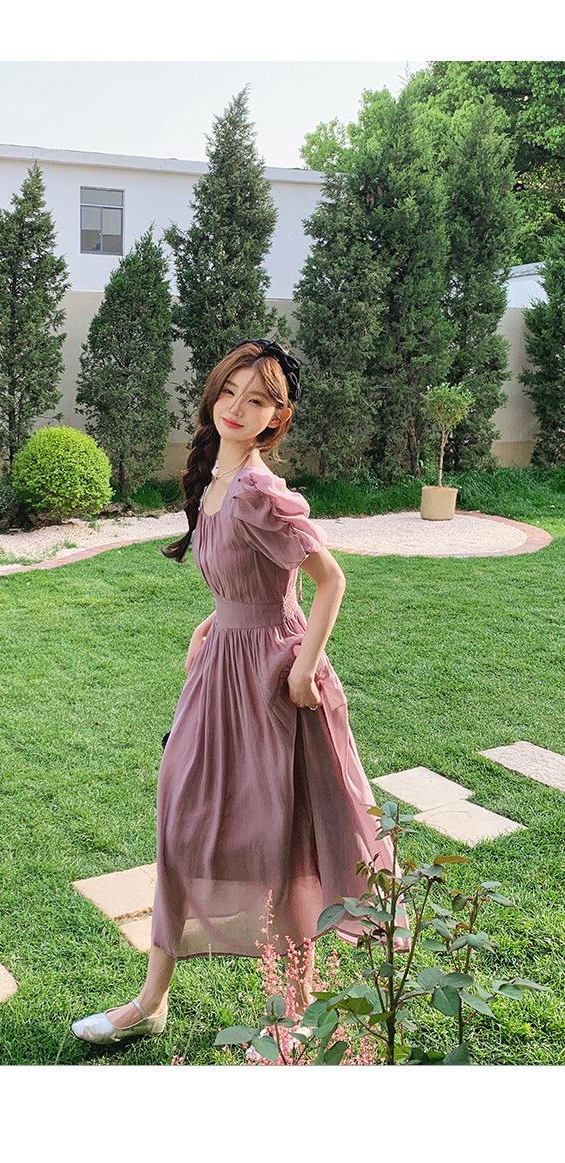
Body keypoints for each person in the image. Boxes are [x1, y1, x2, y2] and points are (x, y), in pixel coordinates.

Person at [71, 339, 411, 1046]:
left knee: (280, 840)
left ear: (276, 417)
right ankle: (151, 1002)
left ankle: (293, 1010)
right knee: (180, 817)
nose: (236, 407)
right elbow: (248, 576)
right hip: (220, 673)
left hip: (272, 682)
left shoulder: (260, 491)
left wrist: (303, 670)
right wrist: (213, 620)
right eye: (229, 391)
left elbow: (329, 582)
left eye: (256, 400)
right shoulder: (214, 480)